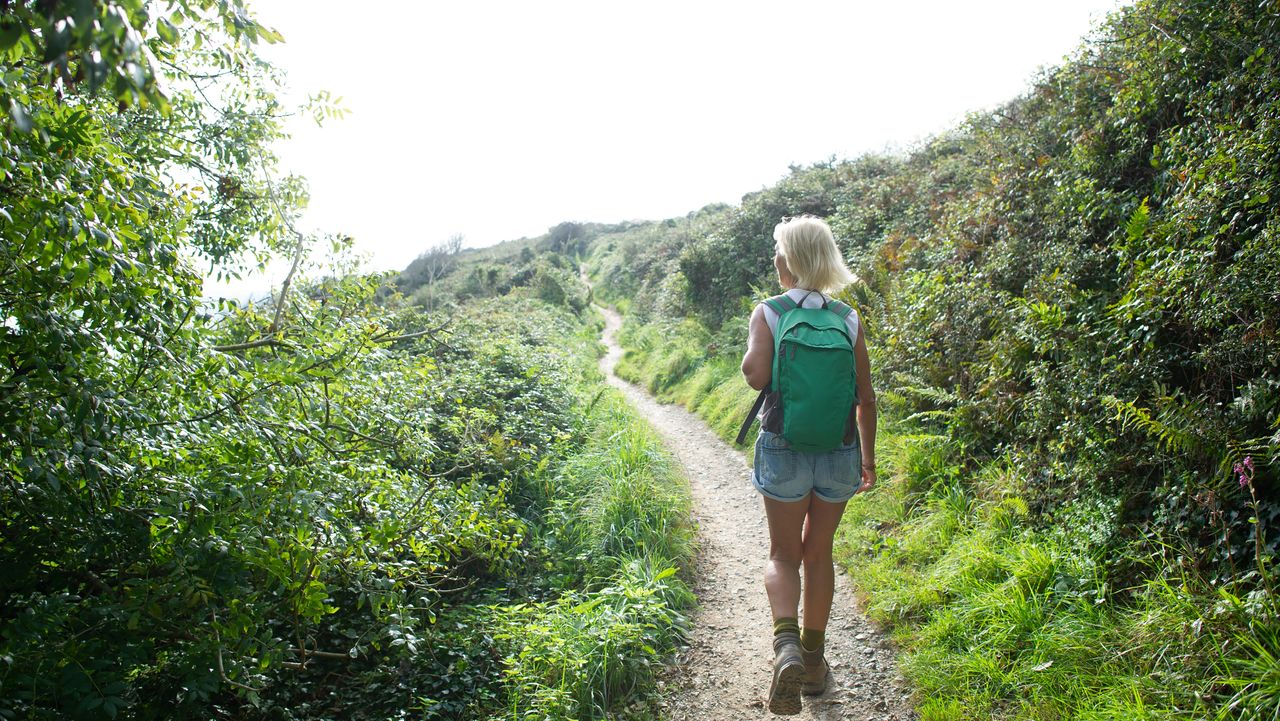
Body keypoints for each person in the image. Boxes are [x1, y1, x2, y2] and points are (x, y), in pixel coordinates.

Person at [740, 215, 877, 715]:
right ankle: (815, 664)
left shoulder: (770, 312)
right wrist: (869, 458)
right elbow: (866, 396)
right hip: (840, 450)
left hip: (783, 447)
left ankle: (786, 648)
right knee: (819, 553)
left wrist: (753, 352)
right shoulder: (847, 318)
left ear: (786, 260)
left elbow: (756, 377)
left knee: (782, 553)